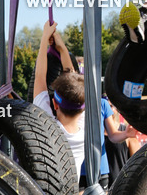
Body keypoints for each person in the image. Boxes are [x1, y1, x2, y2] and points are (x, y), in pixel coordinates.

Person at [33, 22, 134, 186]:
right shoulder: (84, 126)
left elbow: (39, 76)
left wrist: (45, 38)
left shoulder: (49, 127)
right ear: (84, 107)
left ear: (55, 104)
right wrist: (61, 47)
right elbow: (73, 80)